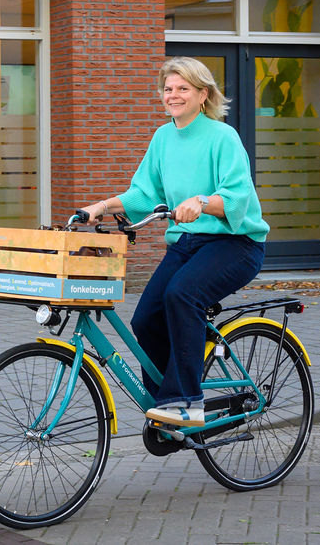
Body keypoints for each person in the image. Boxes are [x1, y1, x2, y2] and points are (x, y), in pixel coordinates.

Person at [79, 57, 269, 427]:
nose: (173, 95)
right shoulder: (163, 137)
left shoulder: (222, 137)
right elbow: (143, 193)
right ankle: (164, 409)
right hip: (187, 242)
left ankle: (187, 400)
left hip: (236, 243)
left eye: (183, 88)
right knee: (145, 319)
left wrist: (202, 202)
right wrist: (99, 207)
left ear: (203, 94)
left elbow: (237, 198)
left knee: (182, 295)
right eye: (168, 89)